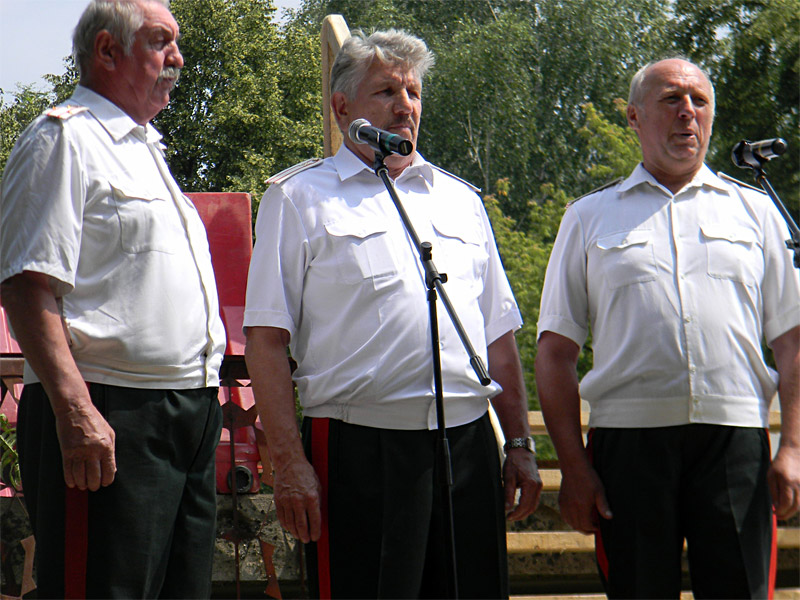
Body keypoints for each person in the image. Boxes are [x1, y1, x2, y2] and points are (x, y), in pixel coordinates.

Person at [244, 29, 542, 599]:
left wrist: (520, 445)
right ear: (342, 108)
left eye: (413, 92)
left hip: (467, 445)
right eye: (386, 91)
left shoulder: (460, 200)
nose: (405, 106)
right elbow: (265, 340)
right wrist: (289, 463)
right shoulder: (299, 197)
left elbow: (498, 337)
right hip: (359, 450)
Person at [535, 57, 800, 598]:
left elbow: (793, 342)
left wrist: (793, 448)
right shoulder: (588, 216)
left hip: (735, 442)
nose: (687, 113)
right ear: (634, 117)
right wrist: (574, 467)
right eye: (671, 100)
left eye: (699, 101)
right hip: (628, 449)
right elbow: (555, 353)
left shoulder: (757, 213)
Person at [0, 1, 226, 597]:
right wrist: (75, 411)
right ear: (107, 50)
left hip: (189, 413)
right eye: (160, 41)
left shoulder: (145, 149)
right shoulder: (64, 139)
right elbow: (25, 285)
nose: (178, 58)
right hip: (110, 410)